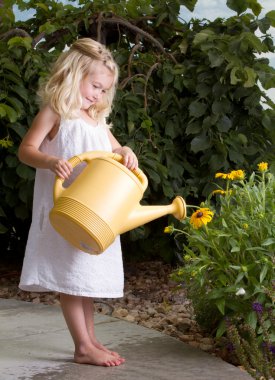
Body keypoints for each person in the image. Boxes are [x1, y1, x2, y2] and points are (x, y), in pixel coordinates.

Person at [18, 38, 138, 367]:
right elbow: (26, 149)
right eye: (94, 86)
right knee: (71, 278)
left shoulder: (95, 119)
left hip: (94, 209)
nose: (97, 96)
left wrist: (125, 152)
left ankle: (90, 340)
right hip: (67, 210)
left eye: (104, 91)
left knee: (83, 278)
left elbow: (114, 149)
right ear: (75, 74)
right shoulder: (57, 112)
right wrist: (49, 161)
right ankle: (82, 346)